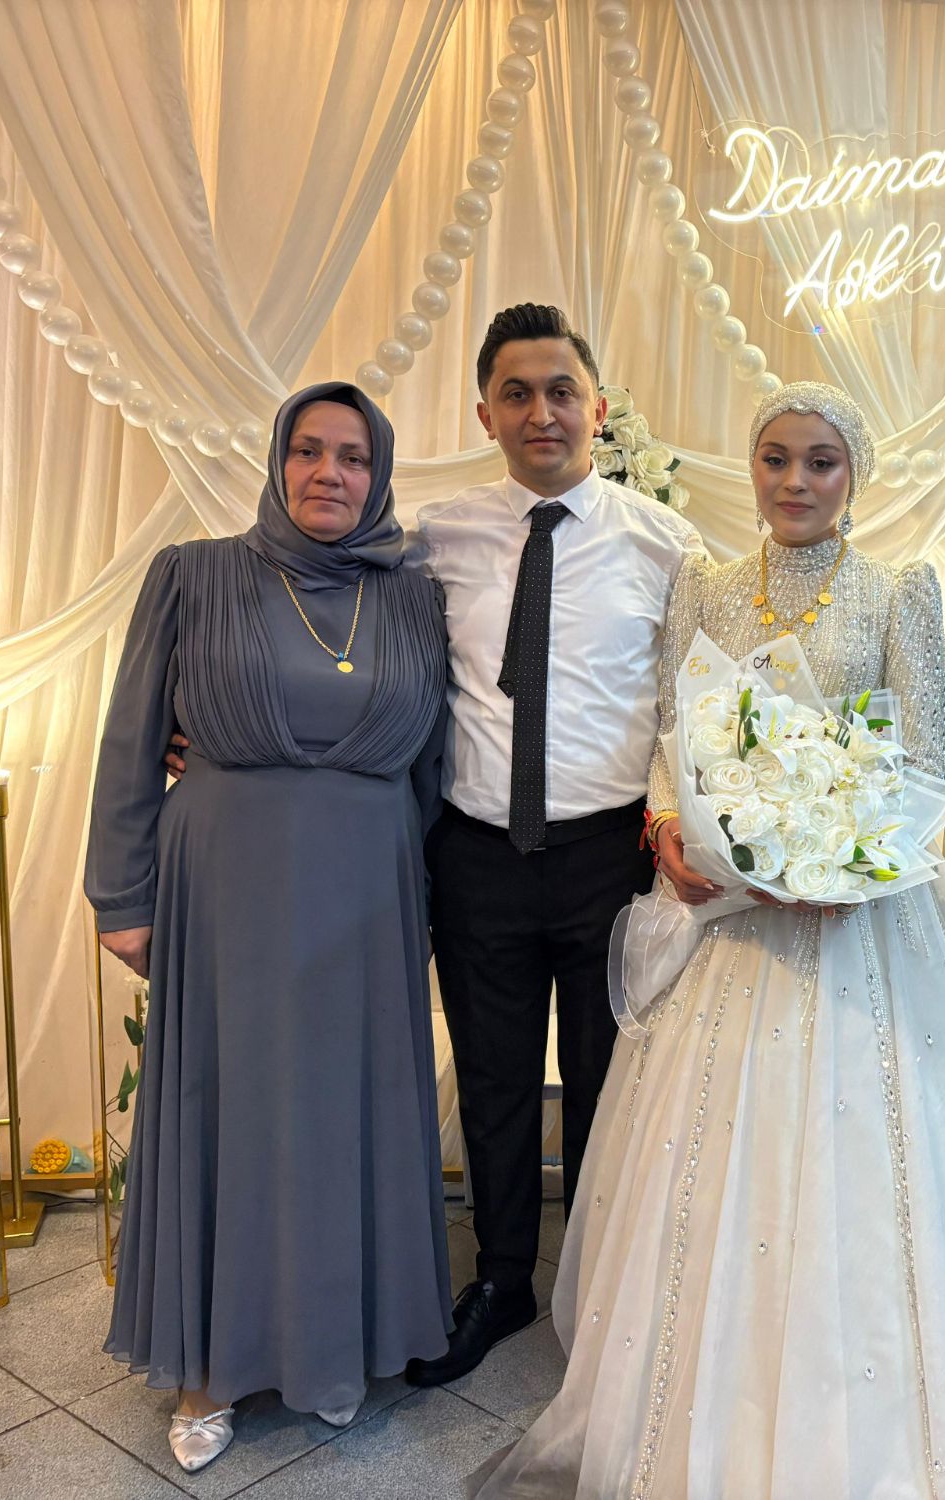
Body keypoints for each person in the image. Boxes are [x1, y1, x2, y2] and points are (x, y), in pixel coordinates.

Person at [466, 383, 945, 1499]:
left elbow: (918, 760)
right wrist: (668, 826)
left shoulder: (897, 589)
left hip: (859, 924)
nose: (795, 481)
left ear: (853, 475)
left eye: (820, 461)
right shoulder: (704, 583)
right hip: (730, 923)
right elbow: (672, 731)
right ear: (751, 467)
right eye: (776, 458)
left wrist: (841, 861)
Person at [86, 382, 452, 1472]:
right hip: (228, 893)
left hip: (368, 898)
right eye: (308, 450)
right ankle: (209, 1367)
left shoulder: (414, 597)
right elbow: (130, 738)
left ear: (378, 475)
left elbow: (432, 771)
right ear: (278, 460)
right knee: (230, 1115)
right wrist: (122, 895)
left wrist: (421, 899)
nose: (328, 473)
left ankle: (334, 1349)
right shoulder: (193, 574)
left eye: (352, 456)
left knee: (345, 1121)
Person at [407, 303, 703, 1386]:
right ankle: (501, 1279)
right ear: (484, 412)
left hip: (608, 856)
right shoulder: (434, 541)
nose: (542, 412)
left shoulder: (667, 546)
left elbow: (689, 709)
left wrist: (676, 827)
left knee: (604, 1081)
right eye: (518, 394)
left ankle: (595, 1285)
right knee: (489, 1078)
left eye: (561, 391)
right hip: (476, 851)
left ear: (598, 407)